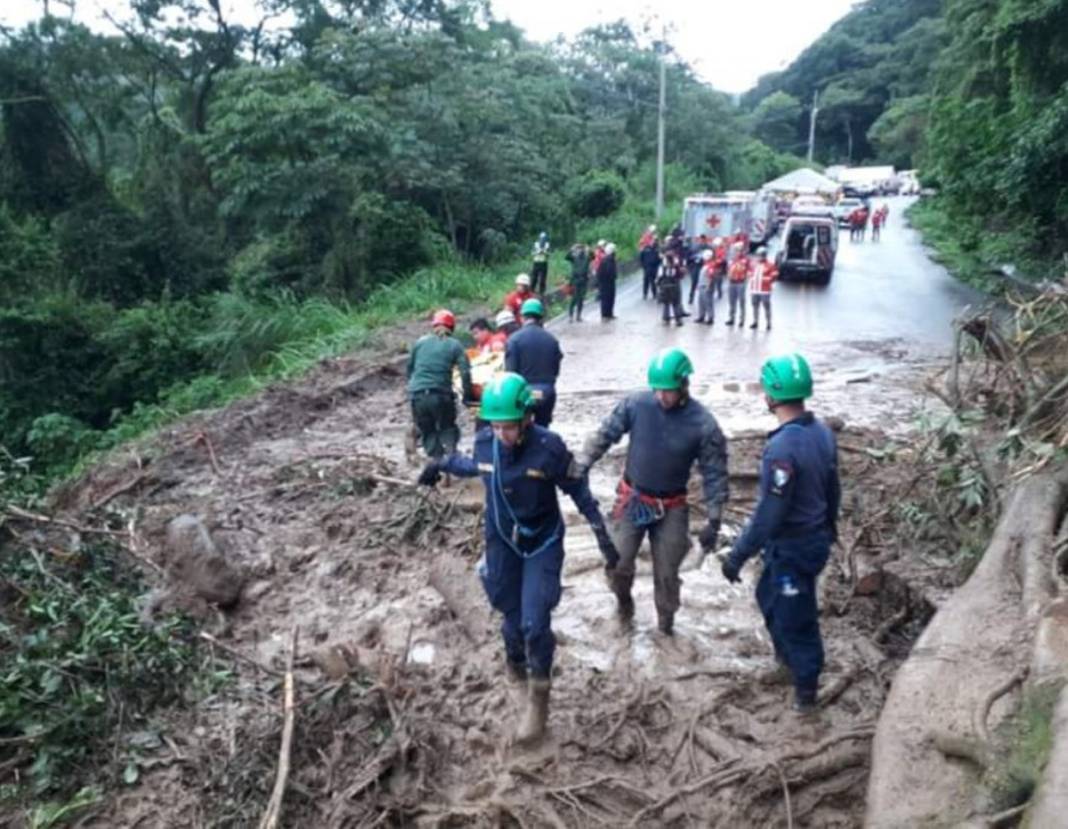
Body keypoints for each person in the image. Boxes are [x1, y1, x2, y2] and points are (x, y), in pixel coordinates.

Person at [418, 373, 619, 744]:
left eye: (509, 427)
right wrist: (440, 463)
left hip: (541, 542)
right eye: (495, 426)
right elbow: (471, 466)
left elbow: (578, 490)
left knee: (535, 623)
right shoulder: (485, 444)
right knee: (510, 622)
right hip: (502, 542)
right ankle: (516, 672)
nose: (502, 435)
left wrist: (602, 535)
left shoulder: (550, 449)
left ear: (527, 418)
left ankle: (539, 697)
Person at [575, 348, 729, 636]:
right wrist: (583, 462)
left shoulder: (704, 424)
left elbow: (715, 473)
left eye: (668, 391)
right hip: (634, 498)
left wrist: (714, 518)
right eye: (657, 390)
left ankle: (665, 626)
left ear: (684, 386)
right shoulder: (637, 404)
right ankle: (624, 602)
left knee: (668, 573)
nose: (661, 397)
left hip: (672, 505)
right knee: (618, 560)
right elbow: (606, 433)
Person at [720, 354, 840, 715]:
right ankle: (787, 664)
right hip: (811, 538)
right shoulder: (821, 432)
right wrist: (830, 528)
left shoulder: (782, 449)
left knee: (795, 614)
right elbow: (834, 488)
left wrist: (737, 554)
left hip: (794, 546)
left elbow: (770, 513)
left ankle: (806, 695)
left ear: (771, 395)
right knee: (767, 595)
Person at [407, 309, 474, 459]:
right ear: (452, 327)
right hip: (441, 395)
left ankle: (437, 464)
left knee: (428, 432)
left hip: (418, 396)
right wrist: (467, 396)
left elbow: (410, 369)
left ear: (434, 326)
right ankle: (450, 460)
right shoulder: (454, 345)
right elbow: (465, 372)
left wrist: (412, 390)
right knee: (447, 428)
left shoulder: (419, 343)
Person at [505, 298, 563, 427]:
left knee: (520, 428)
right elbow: (556, 370)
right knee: (543, 429)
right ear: (541, 318)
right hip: (547, 391)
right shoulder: (552, 340)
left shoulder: (514, 340)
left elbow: (510, 373)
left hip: (523, 392)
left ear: (522, 317)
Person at [747, 247, 778, 331]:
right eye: (758, 255)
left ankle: (768, 323)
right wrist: (751, 277)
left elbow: (775, 275)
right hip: (755, 289)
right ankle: (755, 322)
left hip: (765, 290)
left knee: (766, 306)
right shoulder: (754, 264)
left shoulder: (770, 265)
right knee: (755, 306)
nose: (759, 257)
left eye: (761, 255)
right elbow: (749, 272)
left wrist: (767, 279)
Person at [656, 247, 686, 326]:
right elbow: (680, 275)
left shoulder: (662, 266)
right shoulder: (676, 266)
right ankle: (678, 319)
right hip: (675, 286)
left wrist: (659, 284)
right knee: (676, 303)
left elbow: (659, 277)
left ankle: (666, 318)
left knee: (666, 303)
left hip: (665, 286)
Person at [565, 241, 591, 322]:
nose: (580, 250)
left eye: (581, 249)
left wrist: (588, 249)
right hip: (575, 280)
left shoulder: (587, 258)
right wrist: (572, 248)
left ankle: (578, 316)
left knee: (581, 299)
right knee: (574, 298)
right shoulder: (574, 257)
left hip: (583, 280)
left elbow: (593, 256)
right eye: (579, 249)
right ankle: (571, 316)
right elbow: (567, 257)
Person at [725, 245, 749, 327]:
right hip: (732, 282)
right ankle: (731, 318)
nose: (737, 252)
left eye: (739, 250)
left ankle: (742, 320)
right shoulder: (732, 260)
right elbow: (728, 269)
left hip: (740, 282)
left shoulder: (746, 260)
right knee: (732, 301)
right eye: (736, 250)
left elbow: (750, 270)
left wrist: (746, 277)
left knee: (741, 302)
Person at [597, 242, 618, 321]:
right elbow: (604, 272)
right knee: (606, 299)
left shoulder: (611, 259)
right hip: (606, 283)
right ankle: (605, 315)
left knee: (611, 298)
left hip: (610, 282)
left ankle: (609, 314)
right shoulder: (606, 260)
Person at [688, 234, 711, 305]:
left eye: (703, 240)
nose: (702, 241)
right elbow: (689, 256)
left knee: (704, 283)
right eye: (701, 240)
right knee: (694, 283)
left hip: (704, 266)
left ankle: (704, 298)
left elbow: (712, 257)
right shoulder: (695, 247)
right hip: (696, 266)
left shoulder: (709, 248)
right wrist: (695, 258)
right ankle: (691, 298)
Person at [694, 250, 717, 325]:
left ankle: (710, 317)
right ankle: (701, 316)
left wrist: (708, 286)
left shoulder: (711, 265)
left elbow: (711, 277)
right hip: (701, 285)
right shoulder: (705, 265)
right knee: (701, 302)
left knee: (708, 302)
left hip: (706, 286)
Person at [640, 232, 661, 301]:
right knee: (646, 281)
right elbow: (641, 258)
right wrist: (643, 266)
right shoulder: (645, 248)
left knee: (653, 281)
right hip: (647, 267)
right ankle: (645, 294)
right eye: (652, 241)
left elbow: (659, 259)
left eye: (653, 241)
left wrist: (657, 266)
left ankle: (654, 294)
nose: (652, 242)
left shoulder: (656, 249)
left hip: (654, 268)